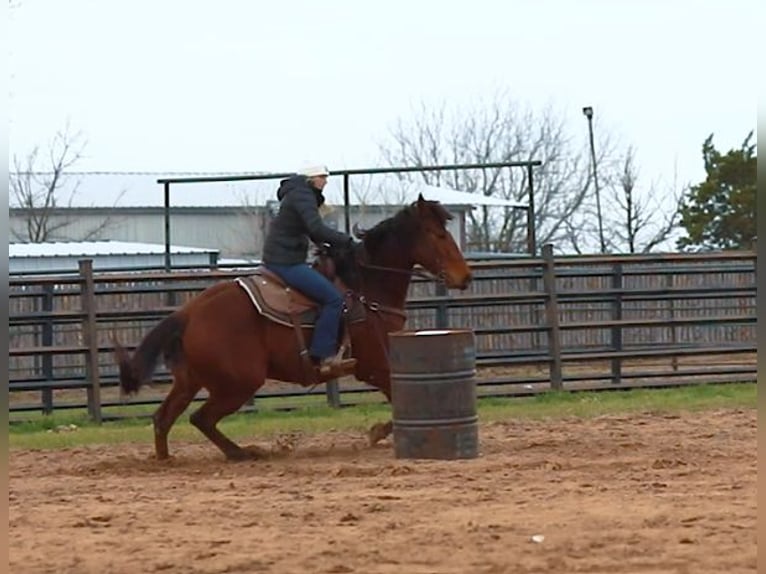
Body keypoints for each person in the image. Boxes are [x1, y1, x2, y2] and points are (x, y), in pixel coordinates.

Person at [262, 164, 356, 372]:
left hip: (282, 257)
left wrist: (329, 244)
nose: (325, 181)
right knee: (333, 299)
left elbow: (311, 230)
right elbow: (316, 228)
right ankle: (323, 355)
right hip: (286, 261)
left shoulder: (297, 194)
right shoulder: (303, 195)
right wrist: (347, 241)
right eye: (322, 177)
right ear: (311, 179)